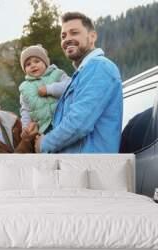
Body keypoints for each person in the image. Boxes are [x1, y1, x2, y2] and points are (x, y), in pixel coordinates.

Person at [35, 12, 123, 153]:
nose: (67, 39)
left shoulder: (99, 67)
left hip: (89, 170)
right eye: (63, 36)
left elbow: (78, 124)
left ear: (92, 36)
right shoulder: (83, 73)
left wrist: (44, 143)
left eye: (74, 33)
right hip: (79, 168)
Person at [19, 44, 71, 134]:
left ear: (45, 62)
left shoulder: (57, 74)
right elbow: (25, 110)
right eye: (28, 64)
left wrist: (49, 89)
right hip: (44, 128)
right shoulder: (25, 88)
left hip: (65, 120)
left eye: (37, 61)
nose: (33, 65)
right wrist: (25, 126)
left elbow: (70, 87)